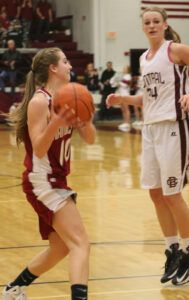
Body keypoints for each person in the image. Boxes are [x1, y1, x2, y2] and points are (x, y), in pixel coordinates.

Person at [2, 47, 96, 300]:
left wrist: (85, 118)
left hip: (57, 179)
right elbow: (40, 149)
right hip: (41, 180)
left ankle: (13, 288)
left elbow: (90, 139)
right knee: (80, 243)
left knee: (61, 247)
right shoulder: (39, 101)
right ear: (53, 68)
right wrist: (56, 120)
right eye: (65, 62)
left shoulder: (68, 97)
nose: (69, 65)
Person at [106, 6, 189, 286]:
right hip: (151, 129)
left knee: (172, 194)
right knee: (156, 194)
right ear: (143, 27)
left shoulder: (175, 49)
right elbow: (148, 98)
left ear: (165, 24)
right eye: (147, 22)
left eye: (156, 21)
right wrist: (122, 99)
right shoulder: (145, 58)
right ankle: (172, 249)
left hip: (173, 127)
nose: (152, 25)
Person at [110, 65, 132, 132]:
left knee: (126, 109)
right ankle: (125, 122)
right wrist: (116, 83)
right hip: (120, 94)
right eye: (123, 68)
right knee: (123, 109)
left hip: (125, 94)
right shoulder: (123, 76)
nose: (123, 69)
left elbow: (125, 85)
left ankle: (128, 123)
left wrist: (118, 83)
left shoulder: (128, 76)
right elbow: (117, 83)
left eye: (125, 68)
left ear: (128, 70)